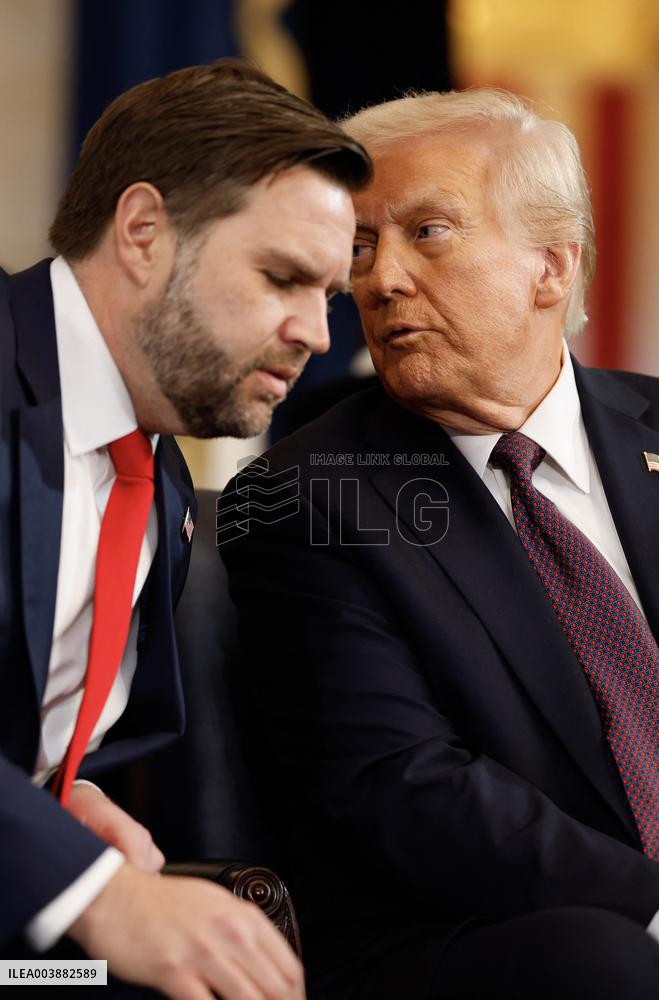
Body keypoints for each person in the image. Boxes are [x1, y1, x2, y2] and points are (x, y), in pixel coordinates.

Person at [219, 89, 659, 998]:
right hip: (489, 941)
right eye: (360, 246)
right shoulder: (303, 496)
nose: (380, 280)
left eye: (427, 232)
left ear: (551, 266)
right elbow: (401, 785)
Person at [0, 58, 370, 999]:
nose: (319, 335)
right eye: (283, 277)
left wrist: (66, 797)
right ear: (143, 231)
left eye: (328, 297)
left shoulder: (158, 476)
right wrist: (95, 893)